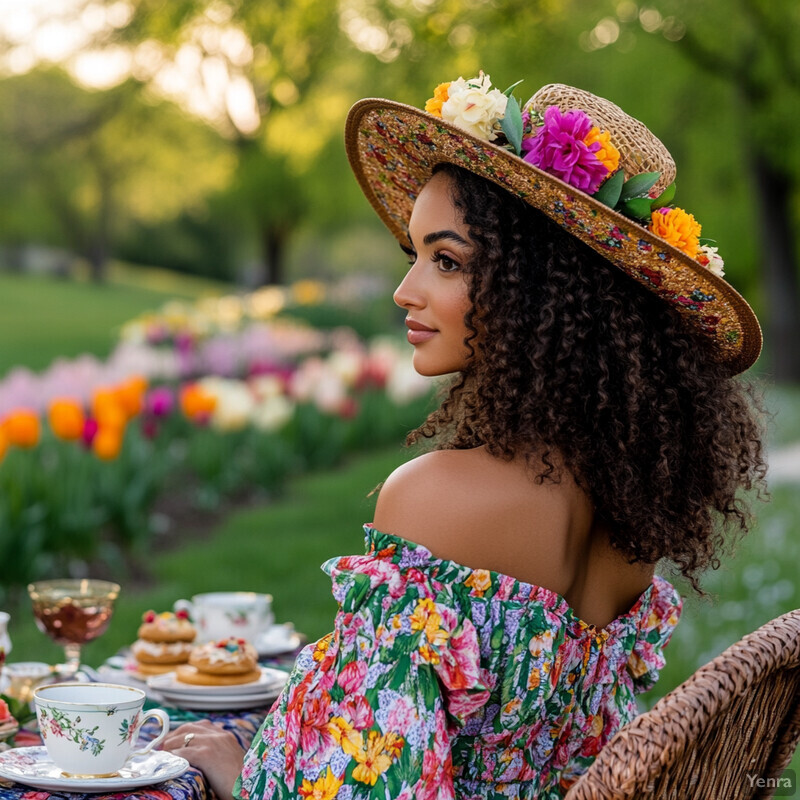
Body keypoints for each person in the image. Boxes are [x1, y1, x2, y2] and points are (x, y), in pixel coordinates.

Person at [162, 76, 767, 799]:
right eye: (413, 254)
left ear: (537, 289)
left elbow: (371, 784)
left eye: (445, 261)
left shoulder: (430, 500)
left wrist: (244, 776)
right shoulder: (629, 510)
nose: (406, 290)